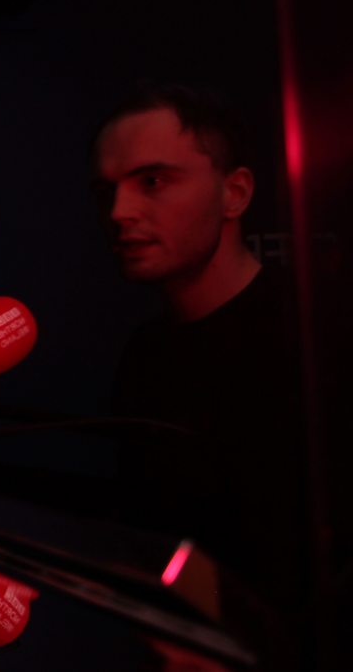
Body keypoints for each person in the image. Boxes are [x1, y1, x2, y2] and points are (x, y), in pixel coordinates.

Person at [92, 82, 307, 665]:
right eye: (107, 191)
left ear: (235, 193)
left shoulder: (315, 336)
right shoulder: (145, 354)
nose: (119, 213)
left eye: (153, 182)